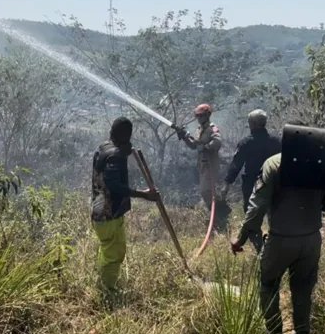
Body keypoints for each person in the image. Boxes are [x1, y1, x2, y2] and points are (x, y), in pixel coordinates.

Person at [230, 145, 325, 334]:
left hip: (280, 240)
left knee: (268, 286)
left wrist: (240, 238)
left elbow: (257, 206)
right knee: (303, 289)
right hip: (311, 241)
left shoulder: (273, 163)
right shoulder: (321, 163)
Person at [91, 116, 159, 289]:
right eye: (129, 134)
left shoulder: (104, 147)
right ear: (125, 134)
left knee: (108, 250)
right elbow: (113, 186)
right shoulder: (115, 155)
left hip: (100, 212)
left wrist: (123, 152)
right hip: (109, 214)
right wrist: (144, 195)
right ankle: (107, 289)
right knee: (114, 254)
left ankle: (104, 282)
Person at [221, 109, 281, 251]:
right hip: (275, 185)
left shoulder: (246, 143)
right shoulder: (277, 141)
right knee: (274, 215)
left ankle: (259, 247)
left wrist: (227, 184)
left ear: (253, 124)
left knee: (252, 216)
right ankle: (274, 244)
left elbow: (236, 165)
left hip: (252, 186)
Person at [175, 104, 229, 226]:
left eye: (201, 116)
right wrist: (184, 137)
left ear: (207, 115)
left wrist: (205, 147)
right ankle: (219, 214)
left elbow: (217, 142)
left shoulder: (212, 129)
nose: (198, 118)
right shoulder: (199, 130)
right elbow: (194, 146)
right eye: (197, 116)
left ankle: (219, 215)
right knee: (208, 192)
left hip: (211, 164)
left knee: (205, 191)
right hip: (202, 165)